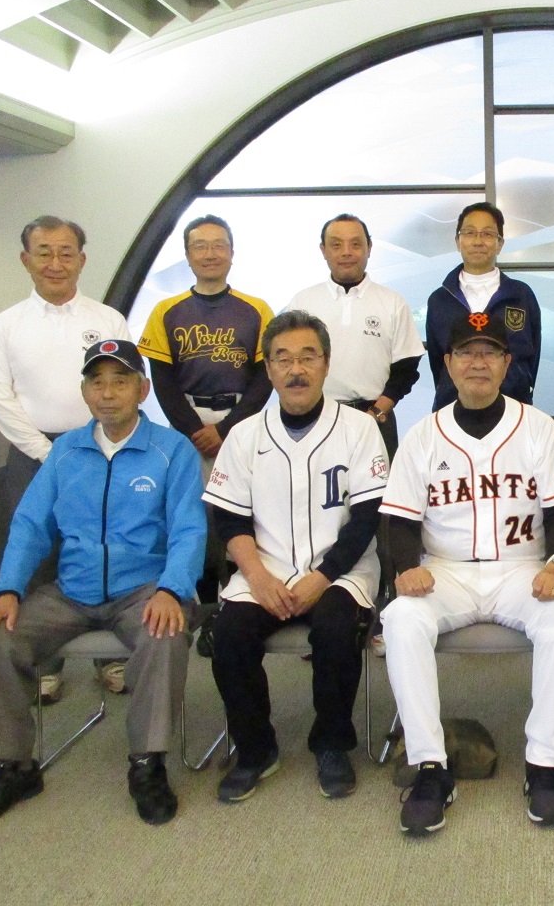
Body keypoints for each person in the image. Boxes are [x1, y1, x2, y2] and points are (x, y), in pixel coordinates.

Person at [0, 340, 205, 830]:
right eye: (97, 382)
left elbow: (189, 529)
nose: (107, 393)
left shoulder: (171, 450)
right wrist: (6, 590)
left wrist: (172, 589)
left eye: (120, 381)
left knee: (165, 633)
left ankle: (147, 763)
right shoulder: (65, 452)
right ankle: (12, 768)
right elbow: (31, 525)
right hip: (72, 590)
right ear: (85, 391)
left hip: (144, 588)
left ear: (142, 390)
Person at [380, 311, 554, 834]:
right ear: (447, 364)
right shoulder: (424, 435)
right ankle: (430, 766)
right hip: (445, 571)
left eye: (489, 352)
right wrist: (405, 568)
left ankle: (544, 763)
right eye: (466, 352)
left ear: (506, 363)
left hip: (522, 568)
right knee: (401, 619)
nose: (478, 362)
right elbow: (398, 519)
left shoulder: (537, 427)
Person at [203, 311, 388, 802]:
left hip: (341, 571)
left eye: (308, 357)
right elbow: (229, 520)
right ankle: (255, 749)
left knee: (335, 629)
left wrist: (322, 578)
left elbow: (367, 519)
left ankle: (331, 743)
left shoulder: (359, 428)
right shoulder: (245, 434)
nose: (296, 369)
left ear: (326, 364)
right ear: (268, 368)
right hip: (263, 569)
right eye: (283, 359)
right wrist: (258, 578)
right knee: (229, 636)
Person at [0, 215, 131, 703]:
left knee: (105, 545)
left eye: (66, 252)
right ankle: (46, 664)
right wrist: (49, 453)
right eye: (44, 252)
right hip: (33, 452)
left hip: (102, 445)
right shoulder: (7, 324)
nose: (55, 263)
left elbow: (125, 386)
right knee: (38, 554)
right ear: (26, 260)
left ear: (82, 260)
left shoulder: (107, 319)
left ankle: (112, 658)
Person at [137, 214, 274, 647]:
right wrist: (196, 430)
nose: (210, 253)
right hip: (189, 424)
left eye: (219, 245)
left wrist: (227, 429)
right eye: (200, 245)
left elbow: (264, 378)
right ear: (187, 254)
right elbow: (162, 380)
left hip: (241, 422)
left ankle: (234, 608)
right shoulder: (167, 311)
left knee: (241, 513)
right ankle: (200, 604)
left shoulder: (256, 309)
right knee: (191, 515)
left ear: (231, 253)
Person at [285, 213, 423, 458]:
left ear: (369, 248)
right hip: (316, 419)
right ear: (323, 250)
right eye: (336, 245)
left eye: (356, 244)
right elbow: (286, 364)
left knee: (379, 484)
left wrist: (376, 414)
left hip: (375, 417)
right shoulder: (302, 302)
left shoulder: (392, 302)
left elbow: (406, 369)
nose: (346, 252)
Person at [424, 202, 540, 411]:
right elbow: (438, 361)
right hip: (452, 409)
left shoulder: (521, 295)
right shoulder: (439, 300)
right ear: (458, 241)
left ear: (500, 243)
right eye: (469, 233)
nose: (478, 241)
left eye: (487, 234)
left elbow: (533, 356)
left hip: (514, 408)